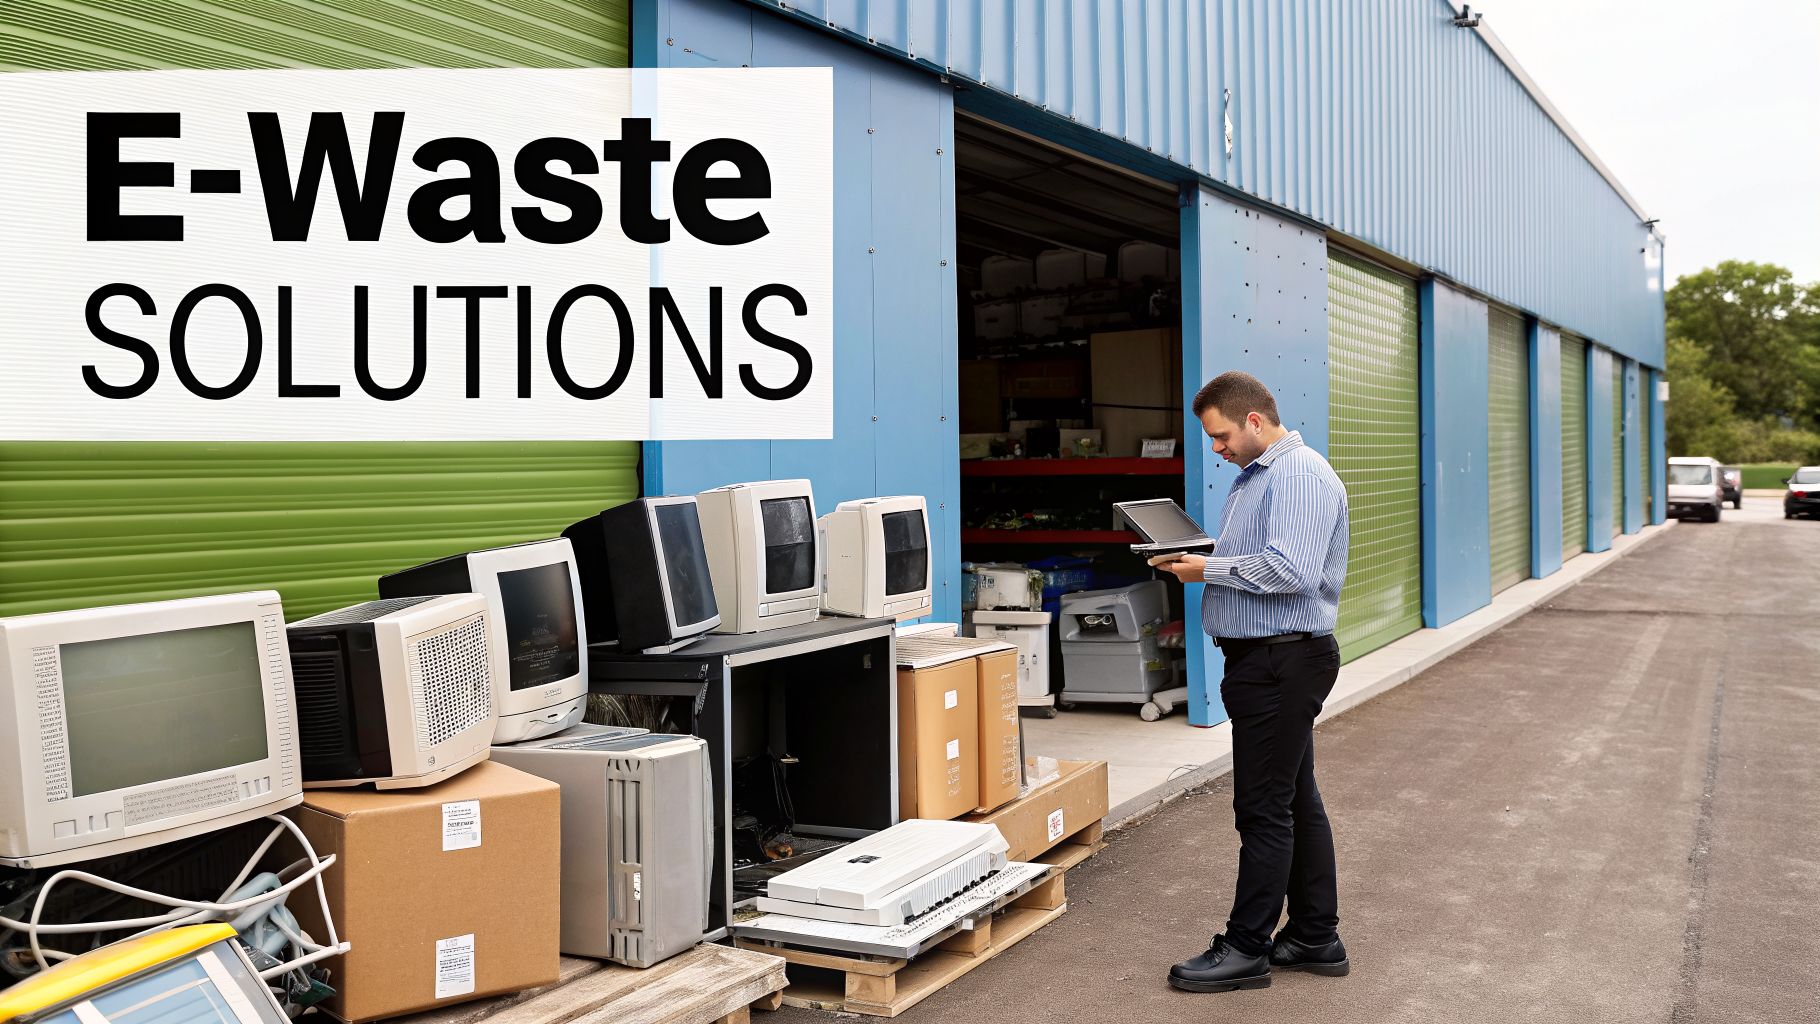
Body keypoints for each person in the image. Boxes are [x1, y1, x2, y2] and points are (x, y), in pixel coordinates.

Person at [1155, 370, 1352, 993]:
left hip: (1281, 661)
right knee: (1295, 798)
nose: (1216, 449)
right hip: (1269, 659)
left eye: (1220, 436)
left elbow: (1291, 570)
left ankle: (1246, 949)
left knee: (1262, 809)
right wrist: (1204, 555)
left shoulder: (1297, 475)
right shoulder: (1262, 475)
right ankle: (1316, 938)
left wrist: (1207, 569)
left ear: (1256, 422)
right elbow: (1265, 553)